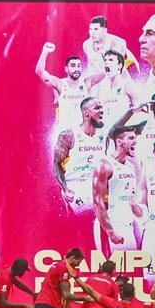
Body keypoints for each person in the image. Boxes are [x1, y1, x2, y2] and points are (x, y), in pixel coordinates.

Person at [54, 97, 109, 227]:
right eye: (97, 108)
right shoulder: (69, 135)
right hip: (76, 187)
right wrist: (65, 188)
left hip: (96, 188)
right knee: (86, 219)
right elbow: (56, 163)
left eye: (102, 107)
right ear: (86, 113)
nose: (101, 111)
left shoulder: (103, 135)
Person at [93, 124, 144, 254]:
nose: (135, 141)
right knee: (114, 270)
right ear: (119, 142)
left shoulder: (130, 167)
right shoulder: (105, 164)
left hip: (127, 225)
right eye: (131, 138)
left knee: (130, 270)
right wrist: (110, 231)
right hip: (111, 225)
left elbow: (130, 200)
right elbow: (98, 202)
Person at [37, 43, 105, 134]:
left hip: (82, 133)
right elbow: (39, 71)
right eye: (73, 66)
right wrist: (45, 52)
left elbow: (105, 73)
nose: (76, 68)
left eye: (79, 66)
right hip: (64, 133)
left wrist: (103, 54)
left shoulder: (86, 83)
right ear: (66, 69)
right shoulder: (59, 84)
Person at [92, 50, 140, 131]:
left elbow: (139, 112)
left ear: (119, 66)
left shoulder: (128, 86)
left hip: (122, 134)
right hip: (105, 133)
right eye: (105, 60)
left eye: (111, 60)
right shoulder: (100, 89)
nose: (106, 62)